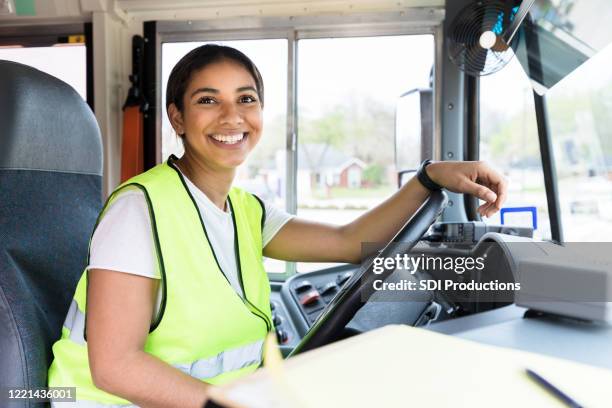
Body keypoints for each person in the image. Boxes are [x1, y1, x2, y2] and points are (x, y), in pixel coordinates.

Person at [48, 44, 507, 407]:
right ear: (177, 118)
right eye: (208, 100)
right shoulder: (138, 209)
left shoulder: (247, 210)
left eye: (246, 99)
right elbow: (114, 367)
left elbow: (349, 242)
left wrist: (430, 177)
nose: (232, 117)